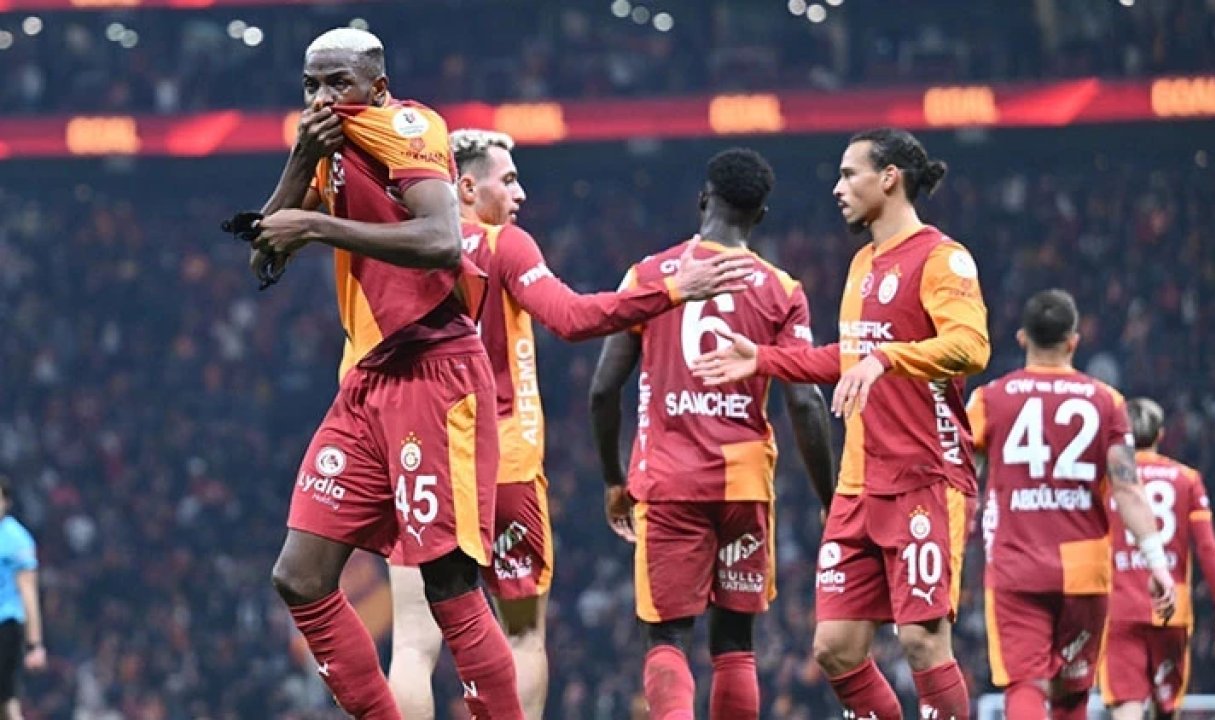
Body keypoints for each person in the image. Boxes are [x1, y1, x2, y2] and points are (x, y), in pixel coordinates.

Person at [385, 130, 755, 719]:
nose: (520, 194)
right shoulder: (505, 245)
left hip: (419, 461)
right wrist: (671, 291)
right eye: (508, 180)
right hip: (502, 462)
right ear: (466, 187)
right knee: (522, 634)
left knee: (411, 642)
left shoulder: (399, 247)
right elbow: (572, 317)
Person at [250, 28, 521, 718]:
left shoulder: (408, 127)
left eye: (337, 82)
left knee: (449, 585)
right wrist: (302, 157)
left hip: (435, 369)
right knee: (300, 577)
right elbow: (264, 254)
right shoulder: (327, 147)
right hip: (369, 381)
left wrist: (318, 228)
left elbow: (440, 240)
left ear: (377, 85)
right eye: (311, 85)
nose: (323, 98)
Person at [692, 129, 988, 720]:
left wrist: (887, 358)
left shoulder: (941, 258)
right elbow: (850, 356)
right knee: (835, 648)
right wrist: (763, 358)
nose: (837, 187)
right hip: (858, 482)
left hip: (924, 477)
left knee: (922, 640)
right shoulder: (861, 263)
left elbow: (971, 346)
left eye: (850, 174)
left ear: (889, 178)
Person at [589, 147, 836, 720]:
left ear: (703, 200)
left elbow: (603, 390)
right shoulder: (782, 290)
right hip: (743, 486)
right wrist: (831, 498)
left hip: (669, 482)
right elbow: (805, 400)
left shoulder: (649, 276)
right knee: (735, 644)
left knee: (667, 637)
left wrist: (612, 479)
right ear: (760, 216)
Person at [965, 290, 1176, 720]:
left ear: (1022, 338)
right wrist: (1156, 562)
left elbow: (962, 479)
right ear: (1073, 342)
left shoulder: (990, 399)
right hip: (1085, 571)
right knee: (1071, 693)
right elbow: (1128, 489)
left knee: (1026, 684)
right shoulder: (1107, 401)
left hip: (1017, 565)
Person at [1099, 398, 1215, 720]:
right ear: (1160, 434)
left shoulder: (1108, 482)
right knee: (1166, 709)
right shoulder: (1186, 478)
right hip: (1171, 609)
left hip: (1119, 610)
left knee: (1127, 706)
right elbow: (1207, 548)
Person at [0, 477, 45, 720]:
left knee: (7, 701)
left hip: (6, 626)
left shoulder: (16, 539)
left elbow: (28, 592)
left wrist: (34, 643)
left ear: (6, 502)